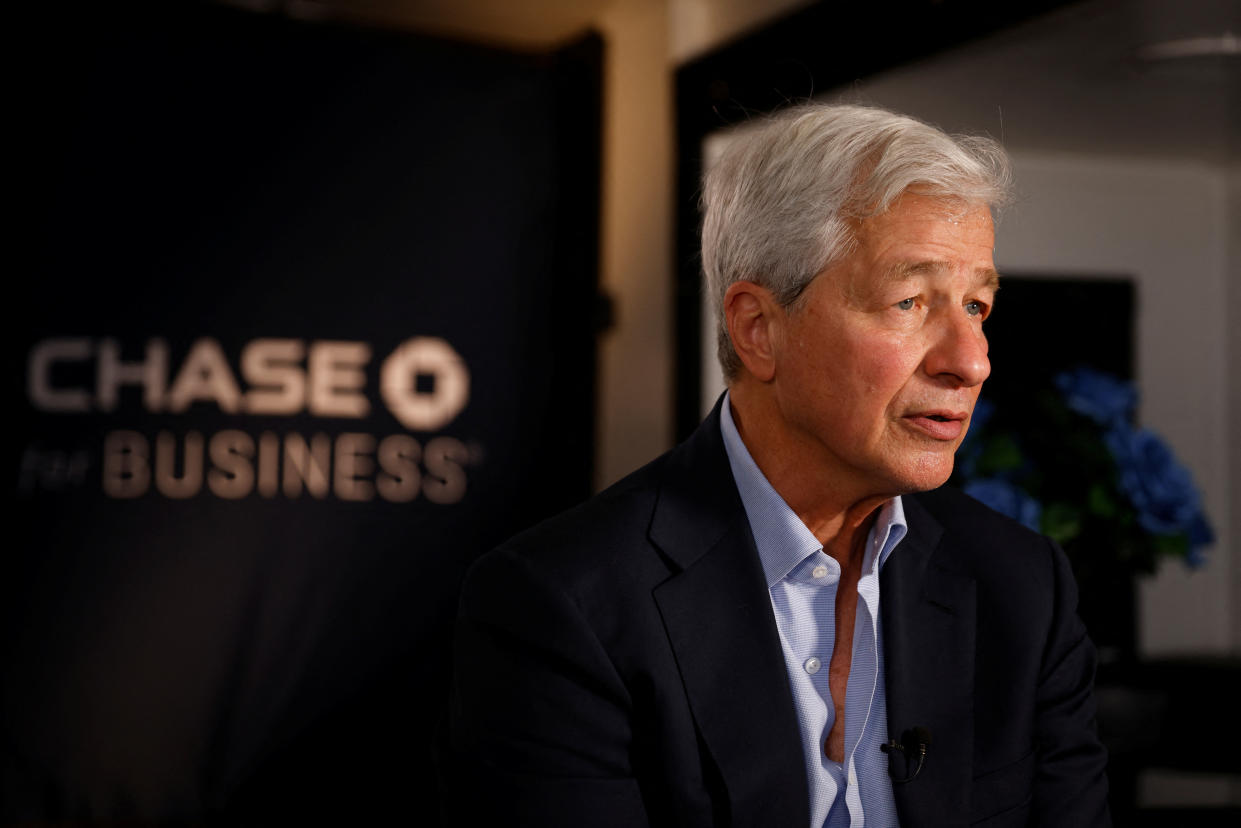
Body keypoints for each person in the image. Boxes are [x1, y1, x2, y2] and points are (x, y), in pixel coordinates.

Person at [448, 103, 1110, 827]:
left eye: (977, 306)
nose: (971, 361)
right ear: (758, 329)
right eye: (908, 301)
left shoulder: (1023, 587)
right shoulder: (563, 605)